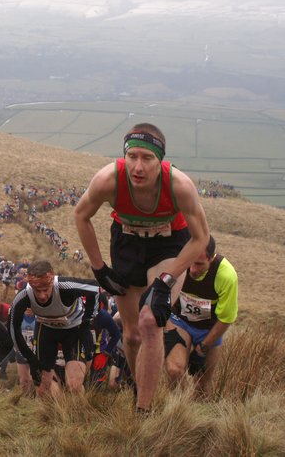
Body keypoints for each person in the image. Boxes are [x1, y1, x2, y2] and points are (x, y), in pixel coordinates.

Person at [74, 122, 210, 412]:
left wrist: (166, 281)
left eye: (147, 158)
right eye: (132, 156)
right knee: (132, 334)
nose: (138, 166)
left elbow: (201, 238)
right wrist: (99, 269)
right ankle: (140, 388)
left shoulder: (179, 186)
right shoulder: (108, 179)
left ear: (160, 160)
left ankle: (143, 410)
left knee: (151, 320)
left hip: (169, 244)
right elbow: (81, 215)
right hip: (126, 244)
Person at [9, 260, 101, 398]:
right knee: (42, 389)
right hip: (46, 331)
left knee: (74, 386)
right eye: (37, 291)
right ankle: (50, 411)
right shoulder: (23, 295)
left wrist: (87, 320)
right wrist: (31, 359)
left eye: (45, 290)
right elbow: (13, 329)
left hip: (74, 330)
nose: (42, 296)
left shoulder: (65, 286)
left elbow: (94, 287)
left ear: (51, 281)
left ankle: (78, 411)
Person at [164, 235, 238, 394]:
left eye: (199, 264)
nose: (192, 269)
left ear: (211, 258)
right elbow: (161, 298)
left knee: (203, 387)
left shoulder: (226, 275)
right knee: (175, 371)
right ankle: (180, 405)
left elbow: (226, 318)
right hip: (180, 321)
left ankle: (196, 404)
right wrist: (169, 330)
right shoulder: (176, 263)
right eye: (191, 262)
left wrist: (203, 348)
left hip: (209, 329)